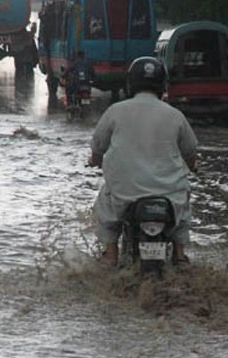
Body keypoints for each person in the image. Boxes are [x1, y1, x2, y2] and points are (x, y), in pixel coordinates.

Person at [88, 57, 198, 268]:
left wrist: (95, 160)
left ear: (131, 83)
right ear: (163, 84)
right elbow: (190, 151)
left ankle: (110, 256)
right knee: (183, 208)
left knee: (106, 209)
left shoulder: (115, 111)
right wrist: (193, 166)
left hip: (125, 193)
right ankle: (180, 255)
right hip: (169, 193)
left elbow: (98, 145)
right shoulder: (175, 115)